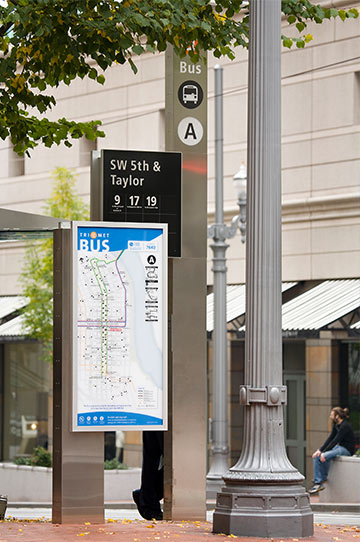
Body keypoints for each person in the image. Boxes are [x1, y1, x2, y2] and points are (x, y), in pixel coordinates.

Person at [309, 406, 355, 495]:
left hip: (347, 450)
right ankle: (321, 479)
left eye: (332, 414)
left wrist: (324, 453)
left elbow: (335, 440)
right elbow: (330, 439)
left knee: (325, 456)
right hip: (339, 447)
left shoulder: (345, 426)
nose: (330, 416)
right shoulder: (336, 425)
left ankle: (318, 482)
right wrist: (320, 450)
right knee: (317, 457)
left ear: (337, 416)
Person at [132, 431, 164, 520]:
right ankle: (147, 499)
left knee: (151, 459)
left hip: (154, 420)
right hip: (169, 421)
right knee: (177, 460)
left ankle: (147, 499)